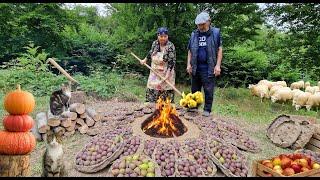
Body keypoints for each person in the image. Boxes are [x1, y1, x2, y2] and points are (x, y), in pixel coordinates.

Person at [186, 12, 223, 117]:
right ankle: (193, 108)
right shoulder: (194, 34)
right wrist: (188, 64)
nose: (200, 27)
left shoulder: (215, 33)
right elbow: (189, 50)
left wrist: (218, 65)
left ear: (208, 22)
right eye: (198, 25)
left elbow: (220, 49)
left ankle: (207, 110)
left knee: (208, 90)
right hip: (195, 66)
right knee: (194, 89)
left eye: (202, 24)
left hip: (209, 67)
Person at [140, 27, 176, 103]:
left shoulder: (170, 46)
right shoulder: (155, 43)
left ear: (167, 36)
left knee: (166, 92)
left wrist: (166, 76)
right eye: (161, 36)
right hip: (154, 72)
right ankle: (151, 108)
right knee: (152, 88)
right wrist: (145, 60)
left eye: (165, 36)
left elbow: (172, 62)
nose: (163, 38)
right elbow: (150, 53)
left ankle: (165, 110)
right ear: (158, 36)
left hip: (166, 72)